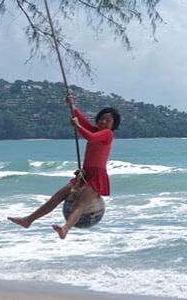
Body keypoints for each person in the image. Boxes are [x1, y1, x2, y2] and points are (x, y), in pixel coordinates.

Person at [7, 94, 121, 239]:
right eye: (101, 119)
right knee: (58, 196)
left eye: (108, 120)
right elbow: (83, 122)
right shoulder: (96, 130)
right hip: (85, 174)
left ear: (113, 125)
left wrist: (77, 126)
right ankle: (28, 220)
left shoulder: (107, 134)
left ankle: (65, 229)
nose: (103, 122)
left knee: (81, 203)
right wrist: (72, 106)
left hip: (97, 177)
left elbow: (90, 137)